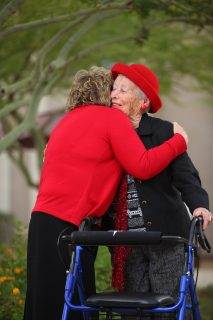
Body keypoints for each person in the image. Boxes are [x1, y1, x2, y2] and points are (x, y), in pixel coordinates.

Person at [23, 66, 188, 320]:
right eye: (114, 88)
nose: (115, 95)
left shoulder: (65, 122)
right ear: (103, 91)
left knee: (42, 305)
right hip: (71, 227)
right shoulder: (111, 119)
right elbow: (142, 166)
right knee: (72, 307)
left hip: (41, 222)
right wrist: (178, 142)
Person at [106, 62, 212, 319]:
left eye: (123, 90)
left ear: (142, 103)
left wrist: (200, 205)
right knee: (133, 311)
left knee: (167, 307)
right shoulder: (107, 131)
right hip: (126, 241)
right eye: (113, 89)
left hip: (166, 236)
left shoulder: (164, 132)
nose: (113, 95)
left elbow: (187, 178)